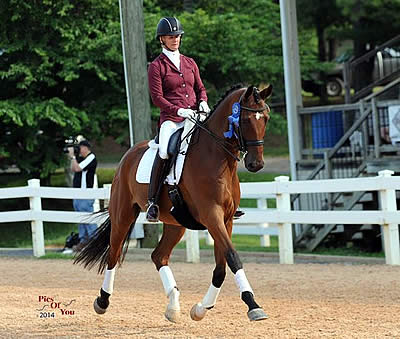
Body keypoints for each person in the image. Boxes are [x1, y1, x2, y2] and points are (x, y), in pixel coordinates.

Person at [146, 17, 211, 222]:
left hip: (195, 116)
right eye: (170, 36)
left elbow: (200, 88)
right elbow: (157, 98)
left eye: (177, 36)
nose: (175, 39)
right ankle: (153, 202)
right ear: (162, 39)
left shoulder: (190, 62)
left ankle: (222, 198)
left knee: (214, 146)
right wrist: (178, 110)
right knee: (164, 150)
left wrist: (203, 102)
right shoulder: (156, 66)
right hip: (172, 120)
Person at [68, 139, 98, 249]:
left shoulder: (91, 157)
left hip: (86, 193)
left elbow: (77, 168)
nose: (78, 150)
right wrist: (73, 157)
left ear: (86, 148)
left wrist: (72, 157)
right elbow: (73, 168)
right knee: (80, 217)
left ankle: (94, 241)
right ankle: (83, 240)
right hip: (78, 193)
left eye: (79, 148)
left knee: (88, 217)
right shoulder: (81, 158)